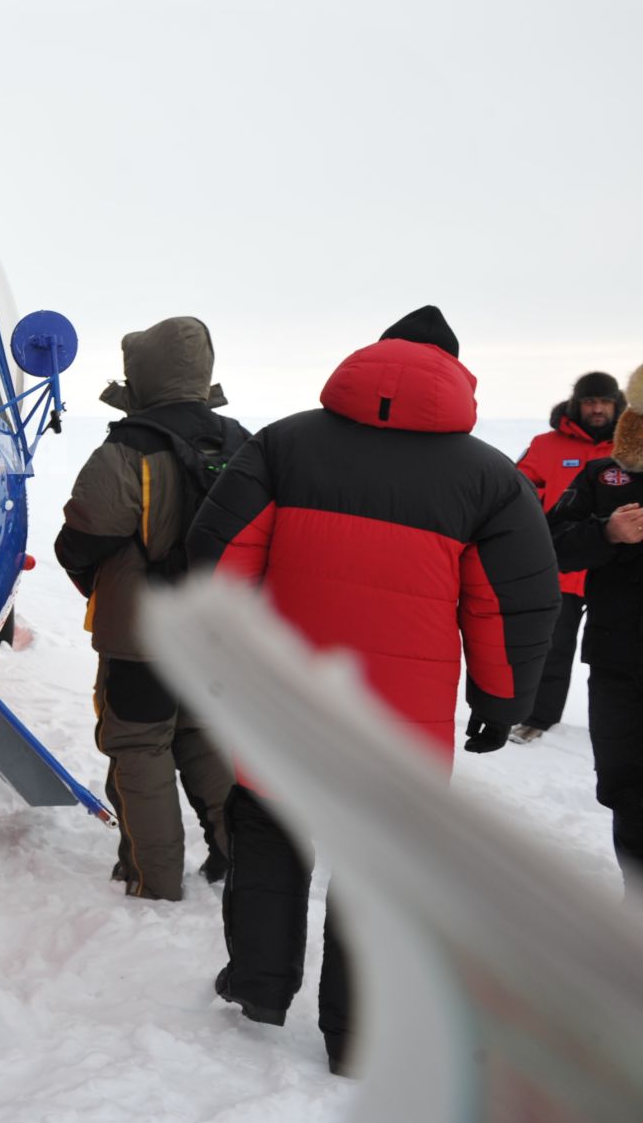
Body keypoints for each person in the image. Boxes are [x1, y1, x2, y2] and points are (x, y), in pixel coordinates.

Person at [186, 305, 558, 1075]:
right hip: (397, 726)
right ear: (456, 372)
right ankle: (355, 1036)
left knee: (267, 834)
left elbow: (217, 558)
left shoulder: (283, 443)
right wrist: (501, 701)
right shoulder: (490, 477)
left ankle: (258, 985)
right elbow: (514, 603)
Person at [54, 317, 245, 901]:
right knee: (207, 739)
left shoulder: (127, 447)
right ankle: (240, 860)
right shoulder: (240, 441)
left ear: (143, 373)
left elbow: (80, 538)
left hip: (140, 639)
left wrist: (102, 585)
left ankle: (152, 880)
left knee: (139, 750)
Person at [547, 363, 643, 897]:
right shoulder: (606, 477)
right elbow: (552, 542)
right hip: (619, 663)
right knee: (627, 791)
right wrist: (606, 533)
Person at [512, 372, 625, 742]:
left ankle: (620, 731)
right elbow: (517, 491)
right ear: (576, 404)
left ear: (616, 404)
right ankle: (537, 719)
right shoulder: (545, 445)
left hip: (616, 572)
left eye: (604, 402)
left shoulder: (630, 448)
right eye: (590, 401)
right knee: (550, 648)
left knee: (619, 655)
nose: (596, 409)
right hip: (558, 568)